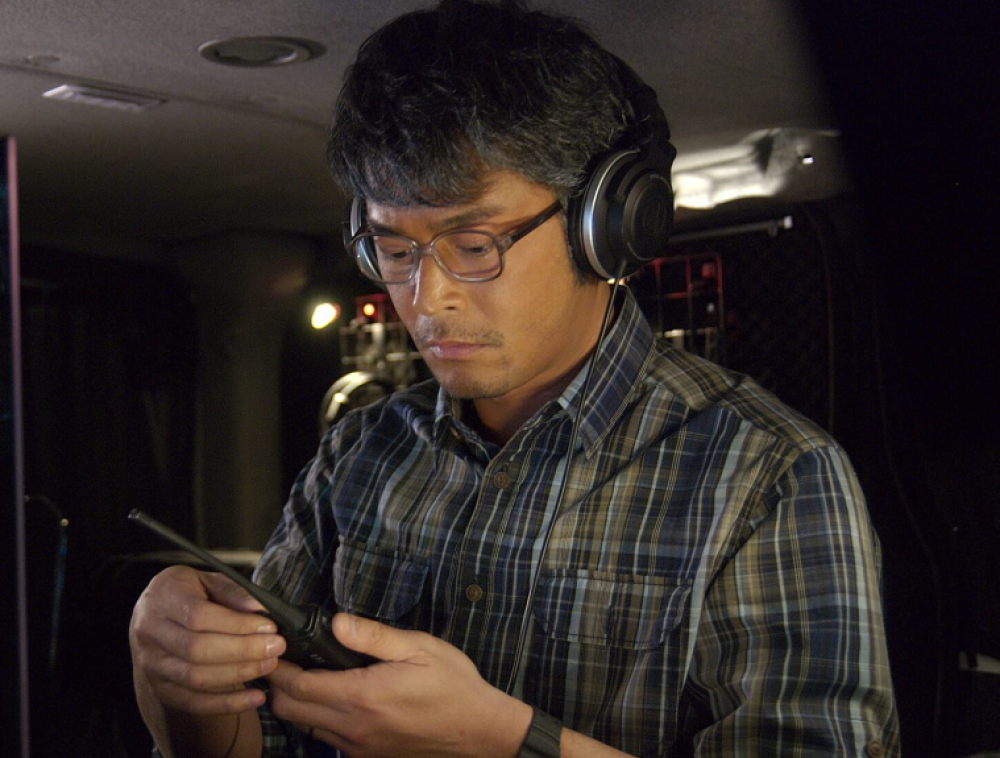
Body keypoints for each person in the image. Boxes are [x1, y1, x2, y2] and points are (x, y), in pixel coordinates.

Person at [128, 1, 900, 756]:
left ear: (606, 227)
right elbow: (258, 734)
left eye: (474, 244)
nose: (426, 299)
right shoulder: (357, 454)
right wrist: (176, 681)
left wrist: (500, 742)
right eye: (394, 251)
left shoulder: (773, 476)